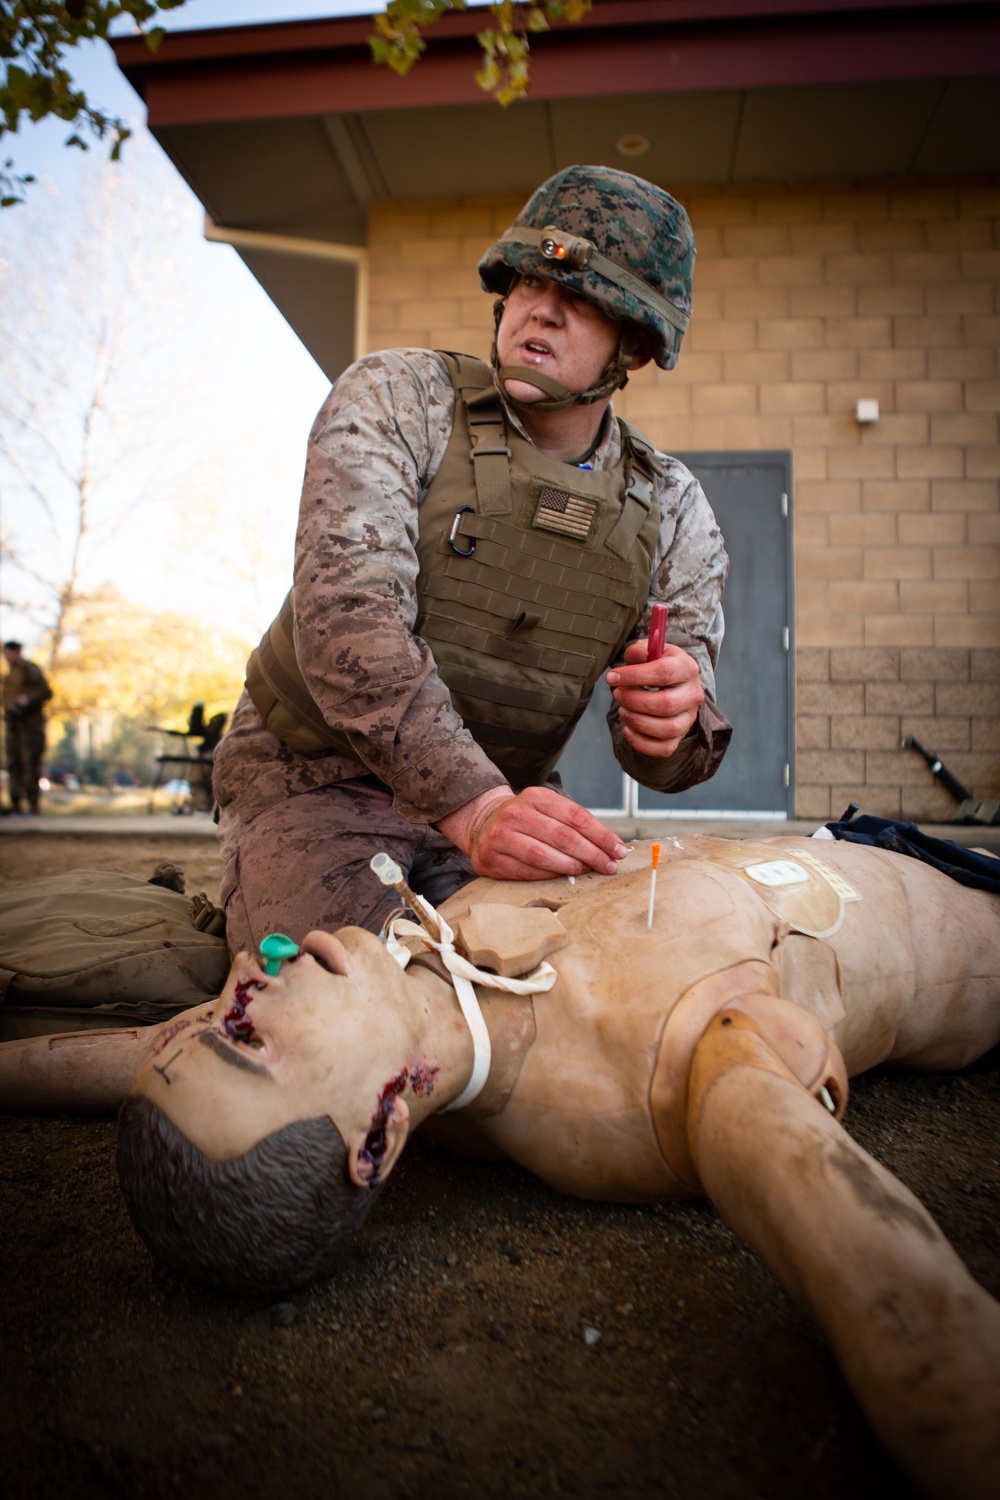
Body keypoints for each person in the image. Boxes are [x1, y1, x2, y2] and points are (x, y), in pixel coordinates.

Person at [2, 832, 998, 1499]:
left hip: (849, 841)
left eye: (219, 1016)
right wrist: (938, 1382)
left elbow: (129, 1055)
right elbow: (890, 1300)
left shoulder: (407, 972)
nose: (248, 985)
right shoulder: (644, 1068)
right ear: (381, 1129)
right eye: (247, 1041)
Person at [214, 165, 731, 956]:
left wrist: (673, 725)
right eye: (529, 279)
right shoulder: (400, 398)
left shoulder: (672, 507)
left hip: (506, 803)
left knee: (597, 981)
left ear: (636, 343)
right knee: (359, 996)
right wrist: (475, 806)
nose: (543, 308)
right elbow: (349, 625)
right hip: (314, 783)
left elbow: (673, 740)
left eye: (584, 298)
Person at [1, 640, 52, 815]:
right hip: (13, 724)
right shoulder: (9, 673)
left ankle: (33, 804)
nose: (6, 657)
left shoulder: (31, 669)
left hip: (31, 725)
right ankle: (15, 803)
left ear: (17, 652)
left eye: (8, 653)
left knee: (30, 763)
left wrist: (27, 699)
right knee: (14, 763)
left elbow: (46, 691)